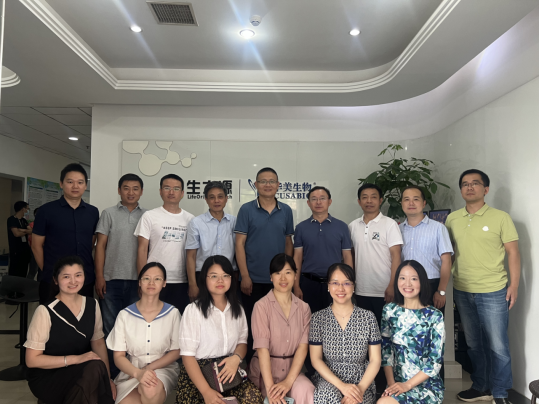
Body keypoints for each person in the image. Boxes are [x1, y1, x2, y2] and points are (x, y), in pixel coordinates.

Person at [446, 170, 520, 405]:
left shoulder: (501, 218)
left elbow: (513, 253)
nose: (469, 187)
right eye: (465, 184)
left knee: (498, 345)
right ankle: (481, 386)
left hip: (494, 290)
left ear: (486, 189)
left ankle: (500, 393)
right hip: (462, 289)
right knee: (474, 343)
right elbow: (449, 254)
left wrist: (514, 285)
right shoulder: (452, 219)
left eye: (475, 183)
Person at [24, 256, 116, 404]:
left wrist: (107, 379)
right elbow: (31, 360)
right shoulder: (45, 311)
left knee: (96, 369)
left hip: (81, 370)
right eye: (66, 277)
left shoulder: (92, 304)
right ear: (56, 280)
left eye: (78, 275)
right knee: (93, 372)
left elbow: (98, 343)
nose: (73, 281)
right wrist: (75, 359)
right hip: (48, 376)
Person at [176, 255, 263, 404]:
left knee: (253, 397)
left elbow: (242, 342)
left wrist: (236, 359)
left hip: (228, 369)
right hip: (199, 373)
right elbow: (187, 356)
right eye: (214, 276)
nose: (220, 280)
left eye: (225, 276)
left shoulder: (237, 309)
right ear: (204, 279)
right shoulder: (193, 310)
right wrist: (206, 392)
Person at [235, 167, 294, 361]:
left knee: (278, 324)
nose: (267, 185)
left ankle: (276, 364)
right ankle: (253, 366)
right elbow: (239, 244)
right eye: (263, 181)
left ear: (278, 185)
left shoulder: (286, 210)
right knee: (253, 325)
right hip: (252, 279)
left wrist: (287, 274)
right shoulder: (246, 209)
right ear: (256, 185)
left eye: (271, 181)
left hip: (278, 281)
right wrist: (245, 275)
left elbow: (288, 242)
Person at [107, 262, 181, 404]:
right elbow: (119, 356)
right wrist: (138, 373)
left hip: (162, 368)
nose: (151, 283)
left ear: (164, 283)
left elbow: (176, 351)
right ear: (140, 282)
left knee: (150, 388)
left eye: (157, 279)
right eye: (146, 278)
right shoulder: (125, 315)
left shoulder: (172, 313)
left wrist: (147, 369)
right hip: (132, 371)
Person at [399, 186, 453, 380]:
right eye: (406, 199)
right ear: (401, 204)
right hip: (405, 288)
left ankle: (435, 386)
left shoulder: (438, 228)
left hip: (431, 286)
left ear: (423, 203)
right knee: (407, 336)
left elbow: (446, 260)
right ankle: (406, 384)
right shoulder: (397, 229)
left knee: (433, 338)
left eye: (415, 199)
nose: (411, 203)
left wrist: (442, 291)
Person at [95, 173, 146, 378]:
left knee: (134, 328)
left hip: (137, 282)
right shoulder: (108, 213)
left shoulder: (148, 215)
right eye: (126, 188)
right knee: (111, 328)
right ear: (119, 190)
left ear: (141, 192)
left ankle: (130, 373)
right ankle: (112, 375)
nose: (130, 192)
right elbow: (100, 246)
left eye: (135, 188)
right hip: (111, 280)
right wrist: (100, 276)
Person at [309, 263, 382, 404]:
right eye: (335, 283)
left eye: (347, 283)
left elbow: (375, 360)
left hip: (361, 380)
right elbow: (316, 359)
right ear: (328, 286)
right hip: (328, 379)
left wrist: (359, 390)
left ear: (354, 286)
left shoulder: (368, 317)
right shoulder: (318, 318)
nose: (341, 288)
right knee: (328, 397)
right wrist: (342, 387)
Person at [249, 254, 315, 404]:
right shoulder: (261, 306)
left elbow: (303, 347)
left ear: (295, 275)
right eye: (278, 273)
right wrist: (270, 389)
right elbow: (262, 349)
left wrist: (288, 382)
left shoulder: (304, 308)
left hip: (293, 371)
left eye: (288, 272)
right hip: (265, 373)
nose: (283, 278)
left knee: (307, 391)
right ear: (271, 277)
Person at [378, 260, 445, 405]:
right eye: (402, 278)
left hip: (426, 386)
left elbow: (435, 361)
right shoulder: (389, 311)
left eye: (414, 279)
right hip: (397, 383)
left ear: (422, 282)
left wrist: (407, 385)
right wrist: (391, 385)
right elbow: (386, 352)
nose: (407, 284)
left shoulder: (434, 316)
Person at [32, 164, 100, 304]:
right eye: (70, 182)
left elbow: (91, 242)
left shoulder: (93, 212)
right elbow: (36, 245)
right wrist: (49, 270)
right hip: (54, 280)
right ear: (61, 184)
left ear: (85, 185)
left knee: (83, 315)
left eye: (80, 182)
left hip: (84, 278)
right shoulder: (46, 211)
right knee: (51, 316)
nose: (75, 186)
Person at [135, 174, 194, 314]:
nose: (171, 192)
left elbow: (192, 254)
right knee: (154, 319)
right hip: (155, 280)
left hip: (181, 280)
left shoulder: (191, 219)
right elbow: (142, 250)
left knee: (179, 320)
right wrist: (142, 280)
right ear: (160, 191)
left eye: (176, 189)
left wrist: (192, 283)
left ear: (182, 193)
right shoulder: (149, 216)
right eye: (167, 188)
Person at [349, 183, 403, 326]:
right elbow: (351, 256)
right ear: (359, 201)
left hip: (384, 290)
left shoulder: (389, 224)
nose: (369, 201)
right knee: (365, 332)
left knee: (386, 332)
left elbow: (396, 256)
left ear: (380, 200)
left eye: (373, 197)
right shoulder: (352, 226)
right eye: (364, 197)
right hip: (361, 290)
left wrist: (392, 285)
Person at [293, 186, 353, 314]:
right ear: (308, 203)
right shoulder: (301, 228)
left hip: (336, 284)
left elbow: (347, 256)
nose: (318, 202)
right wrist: (296, 285)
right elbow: (297, 257)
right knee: (308, 321)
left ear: (329, 201)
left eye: (322, 198)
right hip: (308, 283)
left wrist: (349, 284)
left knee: (335, 321)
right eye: (314, 199)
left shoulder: (342, 226)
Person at [186, 181, 237, 302]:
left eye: (220, 197)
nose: (216, 201)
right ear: (206, 199)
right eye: (212, 197)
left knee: (228, 309)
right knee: (202, 310)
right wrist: (192, 284)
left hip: (228, 275)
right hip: (203, 275)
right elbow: (191, 256)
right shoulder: (196, 222)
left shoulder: (235, 222)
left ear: (226, 199)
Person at [7, 200, 32, 278]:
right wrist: (25, 231)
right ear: (23, 209)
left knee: (23, 272)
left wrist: (22, 230)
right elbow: (16, 234)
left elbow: (31, 231)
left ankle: (21, 286)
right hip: (16, 250)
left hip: (25, 250)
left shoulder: (24, 220)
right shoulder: (12, 219)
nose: (27, 210)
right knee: (14, 272)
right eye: (27, 209)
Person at [27, 207, 40, 280]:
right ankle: (27, 285)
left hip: (44, 249)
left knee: (42, 271)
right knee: (33, 270)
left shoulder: (45, 224)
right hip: (35, 249)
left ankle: (40, 285)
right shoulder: (32, 224)